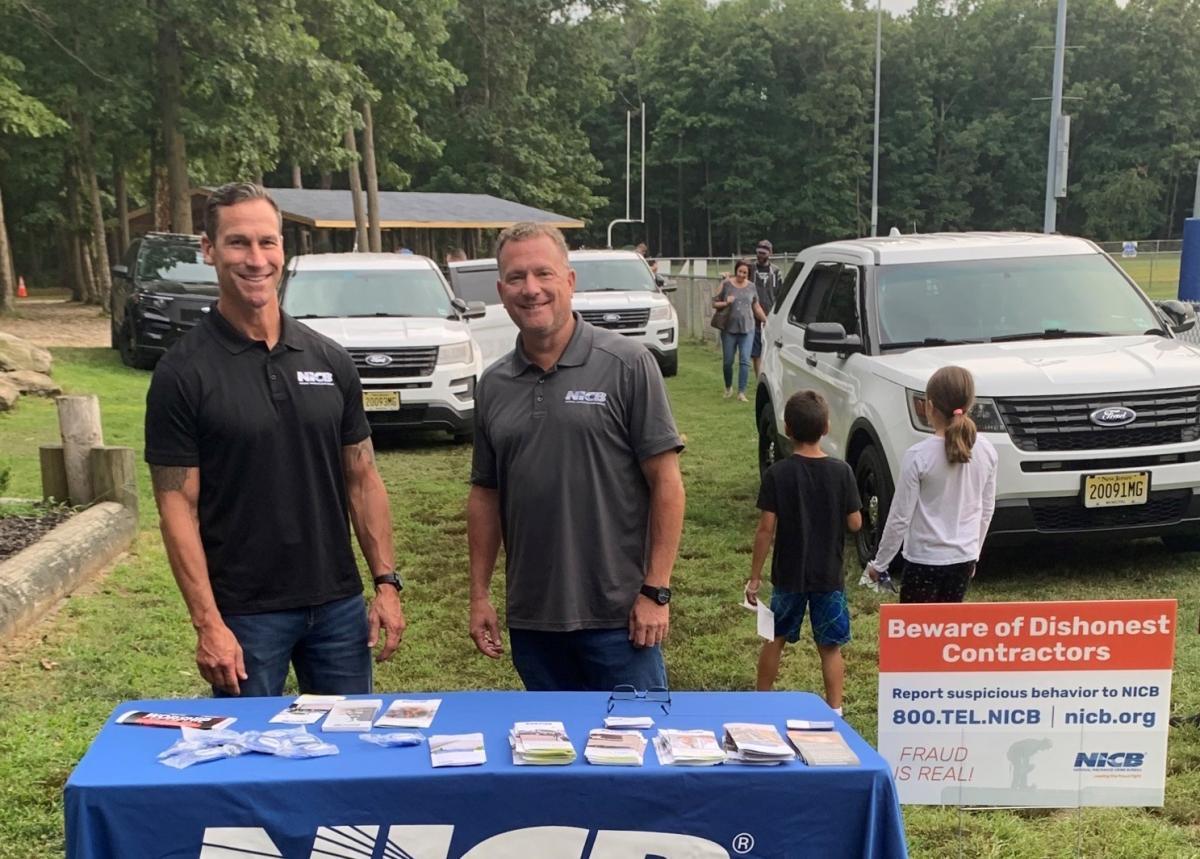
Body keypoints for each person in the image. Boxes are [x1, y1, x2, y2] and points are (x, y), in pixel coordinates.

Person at [144, 183, 405, 697]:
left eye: (268, 242)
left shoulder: (328, 360)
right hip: (244, 616)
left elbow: (362, 478)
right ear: (209, 249)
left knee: (346, 757)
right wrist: (208, 624)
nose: (256, 258)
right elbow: (178, 508)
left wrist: (386, 583)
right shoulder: (183, 373)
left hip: (337, 606)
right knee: (250, 763)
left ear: (283, 249)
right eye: (238, 243)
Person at [467, 222, 686, 692]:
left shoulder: (628, 364)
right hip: (533, 622)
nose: (531, 290)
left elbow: (667, 482)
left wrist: (656, 591)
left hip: (620, 618)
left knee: (635, 754)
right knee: (552, 759)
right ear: (501, 289)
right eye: (516, 277)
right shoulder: (494, 384)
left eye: (543, 274)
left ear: (568, 280)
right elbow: (486, 495)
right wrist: (480, 595)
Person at [746, 390, 862, 712]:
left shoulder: (777, 474)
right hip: (828, 575)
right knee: (830, 647)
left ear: (787, 428)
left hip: (788, 574)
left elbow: (765, 530)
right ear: (826, 427)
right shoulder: (843, 472)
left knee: (775, 638)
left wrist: (754, 577)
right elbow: (855, 523)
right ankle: (835, 710)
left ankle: (761, 702)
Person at [866, 366, 998, 603]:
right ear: (970, 404)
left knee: (915, 633)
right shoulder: (988, 451)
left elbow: (900, 516)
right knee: (947, 633)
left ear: (929, 406)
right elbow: (986, 509)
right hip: (964, 558)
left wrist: (880, 563)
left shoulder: (918, 456)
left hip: (923, 560)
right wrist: (974, 553)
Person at [713, 258, 766, 402]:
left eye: (745, 273)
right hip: (729, 329)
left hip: (748, 328)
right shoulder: (726, 284)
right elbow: (714, 303)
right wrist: (726, 302)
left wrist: (765, 320)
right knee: (728, 361)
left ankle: (741, 392)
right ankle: (728, 387)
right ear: (736, 270)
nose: (742, 275)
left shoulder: (752, 287)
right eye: (740, 271)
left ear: (748, 274)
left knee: (745, 361)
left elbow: (756, 306)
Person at [751, 239, 783, 378]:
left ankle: (770, 376)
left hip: (770, 316)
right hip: (752, 317)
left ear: (770, 253)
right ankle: (759, 379)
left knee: (771, 349)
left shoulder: (776, 272)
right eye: (759, 253)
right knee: (756, 352)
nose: (760, 256)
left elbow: (780, 294)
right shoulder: (750, 269)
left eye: (764, 253)